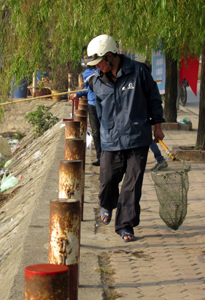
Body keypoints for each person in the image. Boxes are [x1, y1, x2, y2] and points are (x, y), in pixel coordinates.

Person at [85, 34, 165, 242]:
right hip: (111, 139)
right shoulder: (97, 82)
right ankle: (107, 204)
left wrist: (157, 125)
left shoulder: (138, 72)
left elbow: (154, 98)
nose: (97, 67)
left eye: (99, 62)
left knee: (132, 183)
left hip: (137, 136)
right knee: (108, 178)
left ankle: (125, 224)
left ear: (110, 56)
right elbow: (99, 111)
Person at [68, 58, 101, 166]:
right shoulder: (87, 73)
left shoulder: (103, 70)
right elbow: (87, 90)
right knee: (96, 132)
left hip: (105, 104)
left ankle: (109, 157)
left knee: (106, 131)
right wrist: (77, 94)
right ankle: (100, 157)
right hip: (92, 105)